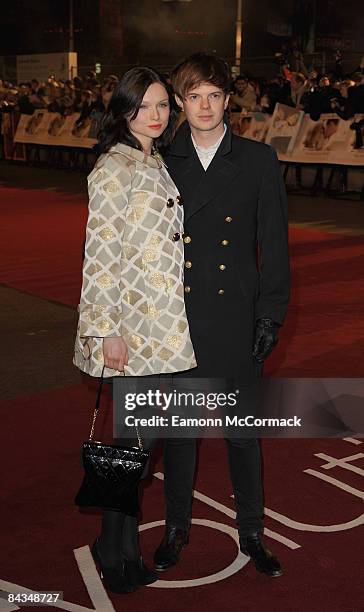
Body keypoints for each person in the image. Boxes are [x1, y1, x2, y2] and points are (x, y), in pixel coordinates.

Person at [153, 53, 290, 578]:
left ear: (228, 100)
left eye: (214, 95)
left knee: (240, 431)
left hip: (237, 314)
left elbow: (272, 245)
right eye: (194, 96)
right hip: (178, 316)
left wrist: (270, 315)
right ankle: (176, 528)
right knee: (182, 432)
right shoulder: (162, 159)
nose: (205, 106)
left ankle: (252, 531)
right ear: (180, 103)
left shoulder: (258, 160)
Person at [73, 66, 196, 593]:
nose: (156, 115)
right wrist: (105, 332)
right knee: (130, 449)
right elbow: (98, 258)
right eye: (145, 105)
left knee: (140, 449)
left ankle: (117, 546)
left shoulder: (155, 161)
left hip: (163, 327)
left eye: (164, 105)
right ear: (124, 109)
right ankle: (116, 550)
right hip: (131, 331)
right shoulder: (114, 168)